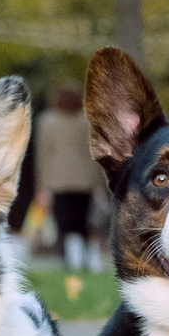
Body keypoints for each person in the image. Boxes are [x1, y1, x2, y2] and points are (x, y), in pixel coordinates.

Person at [33, 85, 105, 271]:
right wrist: (99, 184)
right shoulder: (87, 121)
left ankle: (69, 261)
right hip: (84, 180)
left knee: (64, 224)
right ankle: (86, 259)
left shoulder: (46, 121)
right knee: (83, 223)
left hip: (57, 181)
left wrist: (41, 186)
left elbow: (42, 155)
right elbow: (93, 155)